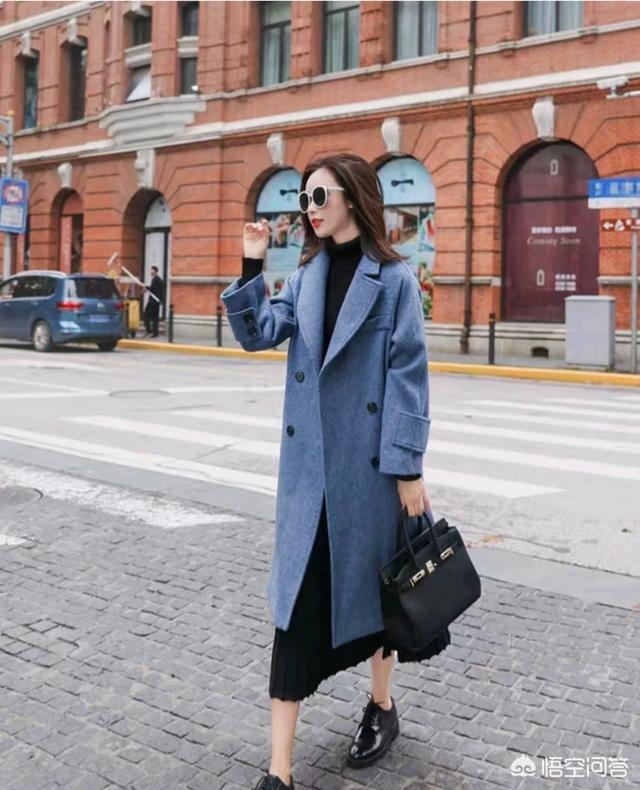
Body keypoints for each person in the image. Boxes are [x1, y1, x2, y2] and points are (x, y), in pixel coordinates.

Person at [220, 153, 450, 790]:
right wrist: (252, 265)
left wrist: (407, 467)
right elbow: (258, 334)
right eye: (304, 199)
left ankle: (381, 705)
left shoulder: (394, 280)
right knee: (295, 613)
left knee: (378, 596)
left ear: (353, 196)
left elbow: (408, 376)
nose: (310, 209)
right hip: (309, 476)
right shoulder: (306, 276)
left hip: (369, 473)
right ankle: (279, 771)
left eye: (319, 196)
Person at [142, 265, 164, 337]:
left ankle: (150, 331)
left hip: (154, 301)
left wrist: (145, 287)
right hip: (155, 301)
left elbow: (153, 289)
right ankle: (153, 332)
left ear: (155, 271)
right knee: (154, 317)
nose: (150, 272)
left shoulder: (156, 279)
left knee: (147, 315)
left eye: (152, 270)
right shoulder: (156, 279)